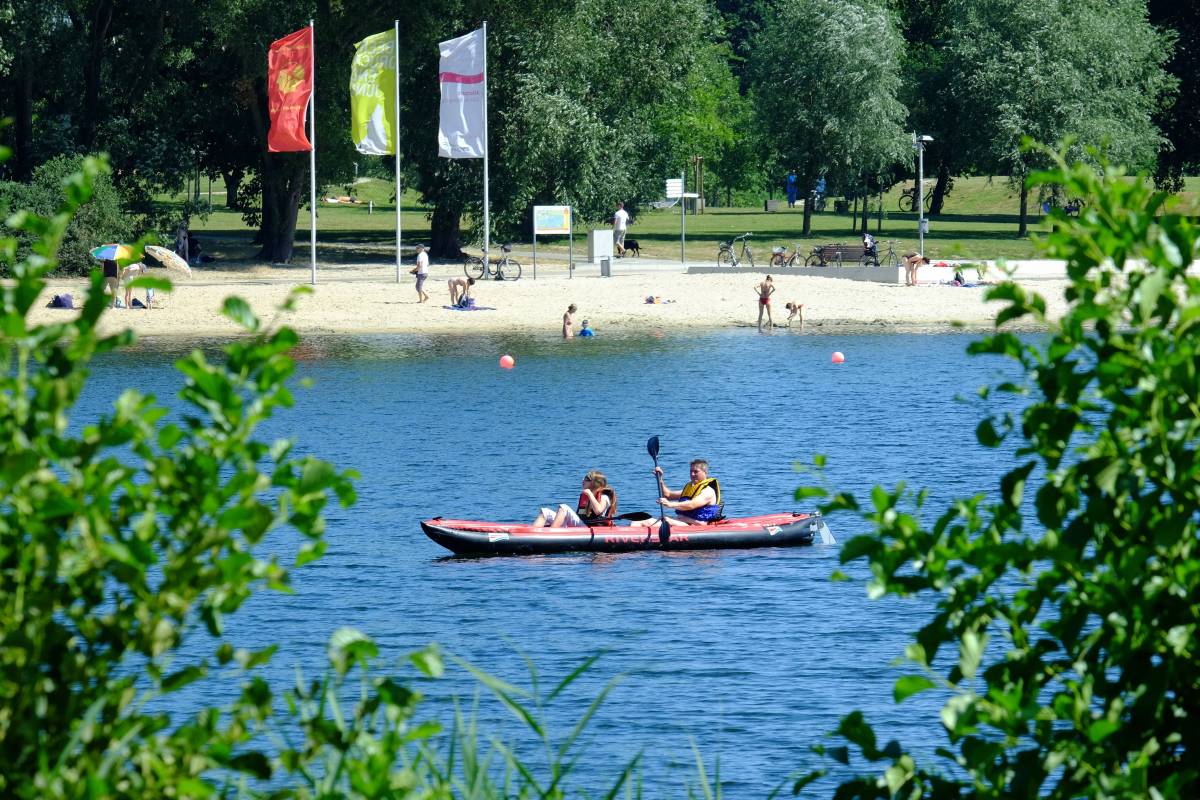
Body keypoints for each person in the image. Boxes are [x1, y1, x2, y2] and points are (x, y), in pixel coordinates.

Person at [630, 459, 723, 528]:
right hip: (684, 522)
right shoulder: (691, 488)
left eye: (696, 472)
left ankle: (626, 544)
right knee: (640, 521)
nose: (692, 474)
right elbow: (668, 495)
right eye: (691, 471)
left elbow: (691, 505)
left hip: (696, 525)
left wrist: (670, 504)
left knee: (641, 521)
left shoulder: (708, 491)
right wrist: (660, 479)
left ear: (705, 472)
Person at [532, 470, 616, 528]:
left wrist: (590, 494)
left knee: (563, 507)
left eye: (587, 479)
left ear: (595, 483)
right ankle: (532, 535)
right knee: (545, 511)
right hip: (581, 526)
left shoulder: (604, 497)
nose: (583, 480)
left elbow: (598, 511)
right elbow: (579, 515)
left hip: (590, 529)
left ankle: (549, 537)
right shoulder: (585, 496)